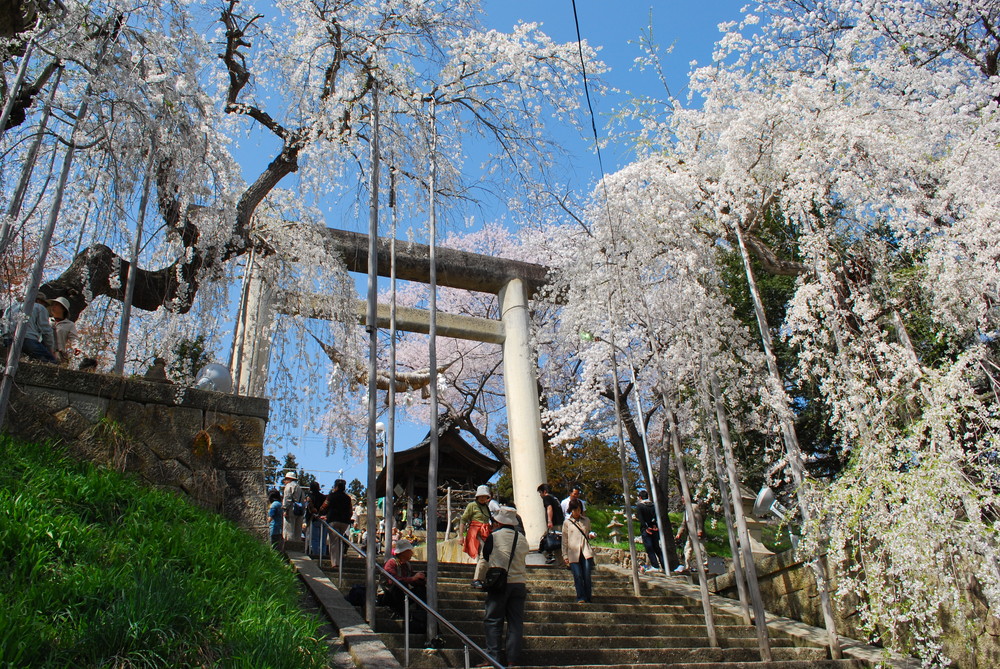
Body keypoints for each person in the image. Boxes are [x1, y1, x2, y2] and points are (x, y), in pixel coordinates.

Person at [477, 506, 528, 667]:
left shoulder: (494, 537)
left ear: (499, 521)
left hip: (499, 584)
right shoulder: (522, 539)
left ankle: (493, 657)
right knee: (515, 623)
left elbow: (484, 558)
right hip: (519, 583)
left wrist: (478, 578)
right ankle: (512, 660)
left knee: (493, 620)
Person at [3, 291, 58, 363]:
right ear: (38, 300)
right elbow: (46, 331)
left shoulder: (11, 307)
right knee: (51, 362)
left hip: (8, 340)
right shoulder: (39, 307)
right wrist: (51, 350)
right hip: (27, 340)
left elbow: (3, 325)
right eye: (44, 304)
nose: (44, 306)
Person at [383, 539, 427, 625]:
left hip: (403, 595)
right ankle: (399, 612)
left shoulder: (407, 565)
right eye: (409, 550)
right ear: (404, 552)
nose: (411, 553)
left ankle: (422, 614)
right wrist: (413, 578)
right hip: (389, 595)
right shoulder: (391, 563)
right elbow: (393, 581)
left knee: (420, 589)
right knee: (399, 585)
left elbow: (411, 580)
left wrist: (420, 579)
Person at [562, 498, 596, 603]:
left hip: (585, 551)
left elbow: (587, 534)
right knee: (577, 575)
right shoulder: (567, 523)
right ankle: (580, 596)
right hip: (573, 552)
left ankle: (588, 596)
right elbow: (564, 540)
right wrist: (565, 555)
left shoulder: (586, 520)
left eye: (578, 509)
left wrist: (591, 535)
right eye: (575, 510)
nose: (577, 512)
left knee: (586, 575)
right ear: (571, 510)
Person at [462, 484, 493, 588]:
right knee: (484, 554)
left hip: (486, 532)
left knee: (487, 555)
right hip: (475, 532)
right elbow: (463, 519)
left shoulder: (486, 507)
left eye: (485, 496)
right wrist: (461, 536)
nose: (483, 498)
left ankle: (482, 578)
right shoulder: (472, 505)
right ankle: (477, 579)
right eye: (482, 496)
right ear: (478, 496)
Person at [320, 478, 353, 567]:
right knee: (340, 540)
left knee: (334, 542)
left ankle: (335, 563)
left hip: (333, 520)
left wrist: (321, 513)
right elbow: (350, 511)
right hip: (345, 522)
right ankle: (340, 559)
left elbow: (324, 507)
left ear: (336, 486)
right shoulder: (348, 498)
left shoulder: (331, 496)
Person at [674, 498, 709, 573]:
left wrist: (699, 530)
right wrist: (679, 533)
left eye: (683, 498)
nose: (682, 500)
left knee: (701, 548)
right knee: (687, 549)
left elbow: (699, 519)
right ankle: (687, 566)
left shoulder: (694, 507)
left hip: (697, 533)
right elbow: (684, 523)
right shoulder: (686, 510)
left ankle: (705, 565)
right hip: (690, 534)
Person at [537, 483, 564, 564]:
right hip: (560, 523)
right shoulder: (555, 498)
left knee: (550, 542)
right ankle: (558, 560)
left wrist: (549, 521)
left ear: (544, 491)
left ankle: (552, 558)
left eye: (540, 493)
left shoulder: (547, 498)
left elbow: (549, 508)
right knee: (557, 543)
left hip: (554, 524)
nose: (540, 495)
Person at [635, 490, 662, 572]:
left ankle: (655, 566)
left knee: (649, 547)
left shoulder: (640, 506)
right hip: (654, 528)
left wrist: (646, 527)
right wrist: (654, 525)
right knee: (657, 548)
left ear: (640, 497)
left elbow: (641, 518)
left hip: (646, 529)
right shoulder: (654, 505)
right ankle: (664, 565)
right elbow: (656, 517)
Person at [46, 296, 76, 365]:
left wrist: (76, 347)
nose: (53, 307)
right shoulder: (46, 320)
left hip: (59, 354)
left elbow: (74, 339)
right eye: (52, 305)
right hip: (44, 351)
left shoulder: (69, 324)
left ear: (63, 309)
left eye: (56, 305)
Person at [281, 471, 304, 544]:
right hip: (299, 510)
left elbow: (287, 498)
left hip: (290, 509)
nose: (285, 481)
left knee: (289, 529)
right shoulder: (299, 488)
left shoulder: (289, 486)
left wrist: (285, 509)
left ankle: (289, 546)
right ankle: (297, 546)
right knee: (297, 531)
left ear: (289, 479)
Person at [305, 480, 327, 557]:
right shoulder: (323, 497)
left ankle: (316, 554)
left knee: (314, 539)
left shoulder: (309, 497)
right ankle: (323, 554)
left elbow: (310, 508)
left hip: (313, 519)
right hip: (323, 519)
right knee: (323, 540)